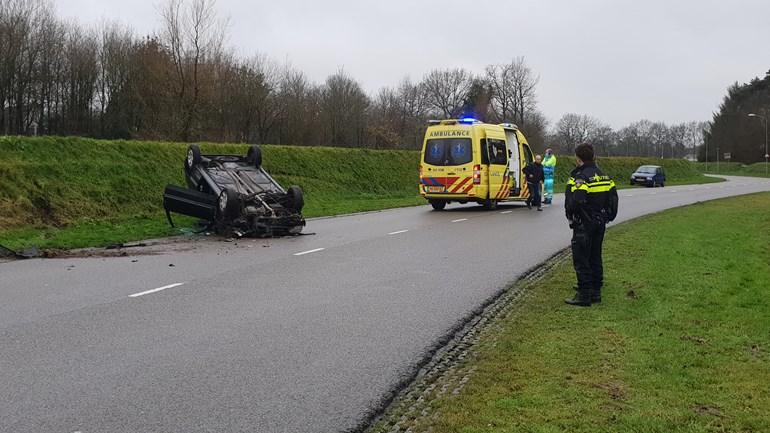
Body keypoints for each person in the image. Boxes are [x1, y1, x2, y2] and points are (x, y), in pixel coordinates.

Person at [564, 143, 618, 306]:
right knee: (595, 256)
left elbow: (578, 200)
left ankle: (584, 295)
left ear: (578, 158)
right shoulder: (604, 176)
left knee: (581, 258)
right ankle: (596, 292)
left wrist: (573, 213)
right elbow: (613, 200)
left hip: (584, 223)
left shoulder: (581, 177)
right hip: (600, 222)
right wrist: (607, 217)